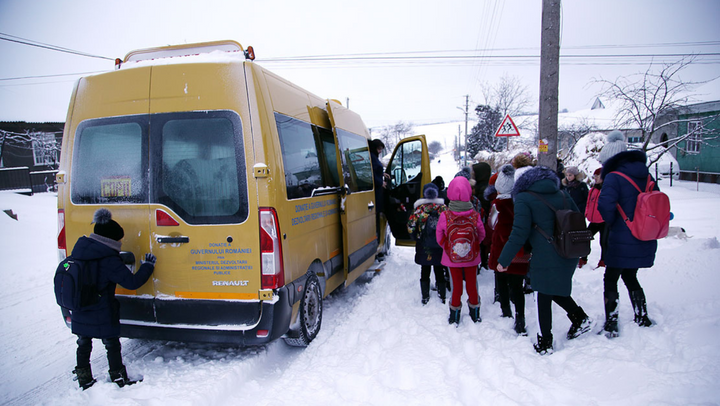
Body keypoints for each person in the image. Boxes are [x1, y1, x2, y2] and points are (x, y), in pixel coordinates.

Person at [496, 166, 594, 355]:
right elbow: (578, 219)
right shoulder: (563, 193)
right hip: (568, 250)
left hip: (546, 253)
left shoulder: (524, 198)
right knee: (553, 288)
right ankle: (580, 319)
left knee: (542, 293)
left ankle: (545, 342)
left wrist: (504, 259)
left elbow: (519, 232)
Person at [69, 208, 156, 389]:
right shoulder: (108, 259)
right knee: (112, 344)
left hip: (80, 307)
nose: (120, 242)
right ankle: (119, 378)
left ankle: (84, 378)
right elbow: (131, 282)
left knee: (83, 343)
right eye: (119, 239)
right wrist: (147, 266)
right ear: (110, 239)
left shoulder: (79, 251)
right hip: (101, 310)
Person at [597, 130, 655, 338]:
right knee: (630, 274)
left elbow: (605, 206)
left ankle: (611, 322)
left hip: (622, 235)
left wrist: (614, 223)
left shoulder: (614, 177)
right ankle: (642, 315)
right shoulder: (646, 174)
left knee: (611, 277)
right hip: (644, 233)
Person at [436, 176, 486, 325]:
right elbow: (481, 234)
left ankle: (454, 315)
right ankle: (475, 313)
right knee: (472, 283)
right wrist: (472, 246)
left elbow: (439, 236)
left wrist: (447, 247)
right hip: (472, 257)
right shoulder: (474, 214)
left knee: (456, 285)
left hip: (452, 258)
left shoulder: (445, 215)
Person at [488, 164, 529, 335]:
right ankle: (520, 318)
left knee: (501, 281)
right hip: (519, 250)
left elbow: (491, 225)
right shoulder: (522, 202)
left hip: (501, 250)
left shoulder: (497, 205)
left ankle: (506, 311)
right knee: (517, 285)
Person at [407, 183, 447, 305]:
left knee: (425, 268)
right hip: (440, 244)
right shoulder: (443, 208)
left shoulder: (419, 209)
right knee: (439, 268)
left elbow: (410, 226)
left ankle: (425, 296)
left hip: (424, 245)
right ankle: (442, 295)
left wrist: (416, 237)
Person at [562, 166, 590, 267]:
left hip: (578, 213)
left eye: (570, 175)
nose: (568, 177)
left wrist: (580, 208)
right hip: (567, 214)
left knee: (581, 234)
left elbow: (586, 199)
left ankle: (583, 256)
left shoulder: (581, 186)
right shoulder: (565, 186)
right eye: (567, 175)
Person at [472, 162, 493, 271]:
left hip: (482, 220)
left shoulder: (482, 188)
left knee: (482, 242)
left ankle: (482, 262)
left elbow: (482, 206)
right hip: (482, 220)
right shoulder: (485, 186)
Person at [585, 167, 606, 268]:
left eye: (598, 176)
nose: (595, 178)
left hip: (604, 220)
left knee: (604, 242)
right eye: (595, 176)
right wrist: (587, 213)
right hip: (593, 220)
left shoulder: (607, 189)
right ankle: (583, 258)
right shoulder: (593, 189)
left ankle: (603, 261)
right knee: (585, 237)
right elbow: (589, 202)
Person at [369, 139, 389, 237]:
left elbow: (376, 170)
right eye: (379, 149)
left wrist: (382, 173)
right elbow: (370, 173)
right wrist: (380, 182)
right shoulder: (371, 157)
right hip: (375, 191)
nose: (380, 151)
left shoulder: (374, 156)